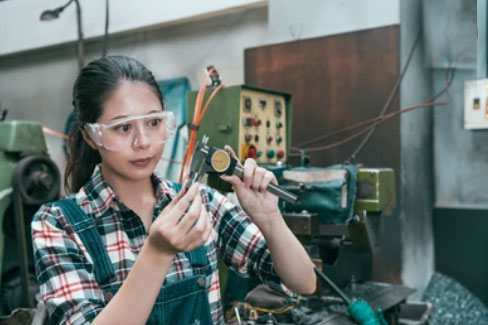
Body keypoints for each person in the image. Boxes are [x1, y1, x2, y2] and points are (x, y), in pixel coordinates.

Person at [31, 55, 316, 325]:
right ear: (91, 137)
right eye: (123, 128)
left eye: (154, 123)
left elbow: (303, 282)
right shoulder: (58, 224)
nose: (143, 142)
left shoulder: (201, 203)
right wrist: (156, 253)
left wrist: (269, 218)